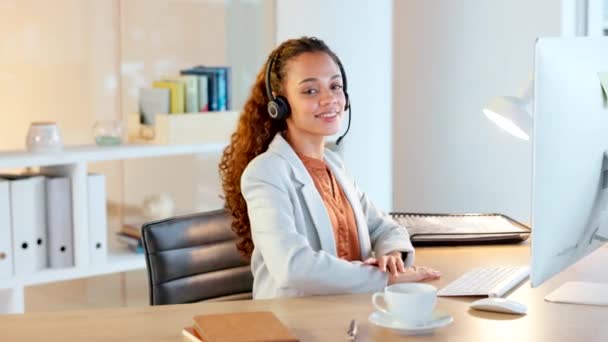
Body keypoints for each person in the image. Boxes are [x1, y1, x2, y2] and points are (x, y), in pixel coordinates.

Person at [219, 36, 440, 299]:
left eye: (335, 86)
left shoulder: (334, 165)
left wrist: (392, 256)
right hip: (295, 324)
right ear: (280, 104)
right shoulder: (266, 172)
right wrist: (386, 279)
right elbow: (293, 267)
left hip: (349, 314)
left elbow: (385, 228)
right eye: (311, 91)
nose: (329, 99)